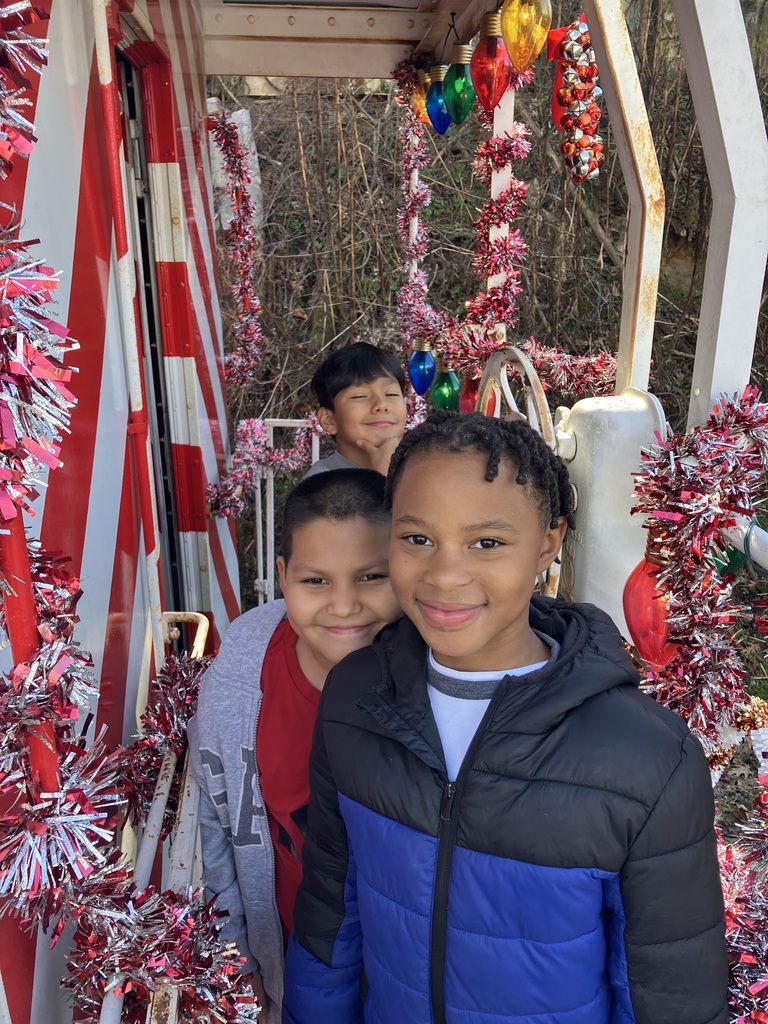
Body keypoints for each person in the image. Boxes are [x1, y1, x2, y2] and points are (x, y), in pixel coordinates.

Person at [282, 411, 729, 1024]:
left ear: (548, 543)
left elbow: (670, 993)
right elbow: (330, 918)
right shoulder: (355, 700)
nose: (445, 575)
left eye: (486, 543)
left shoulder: (649, 758)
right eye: (417, 539)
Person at [187, 469, 401, 1022]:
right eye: (316, 582)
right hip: (292, 973)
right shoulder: (237, 687)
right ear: (283, 577)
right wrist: (237, 968)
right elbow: (217, 836)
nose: (344, 606)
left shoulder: (435, 680)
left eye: (372, 576)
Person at [304, 341, 408, 478]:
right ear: (329, 420)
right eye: (360, 396)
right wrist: (386, 477)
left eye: (391, 394)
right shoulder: (320, 483)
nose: (381, 405)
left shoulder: (423, 472)